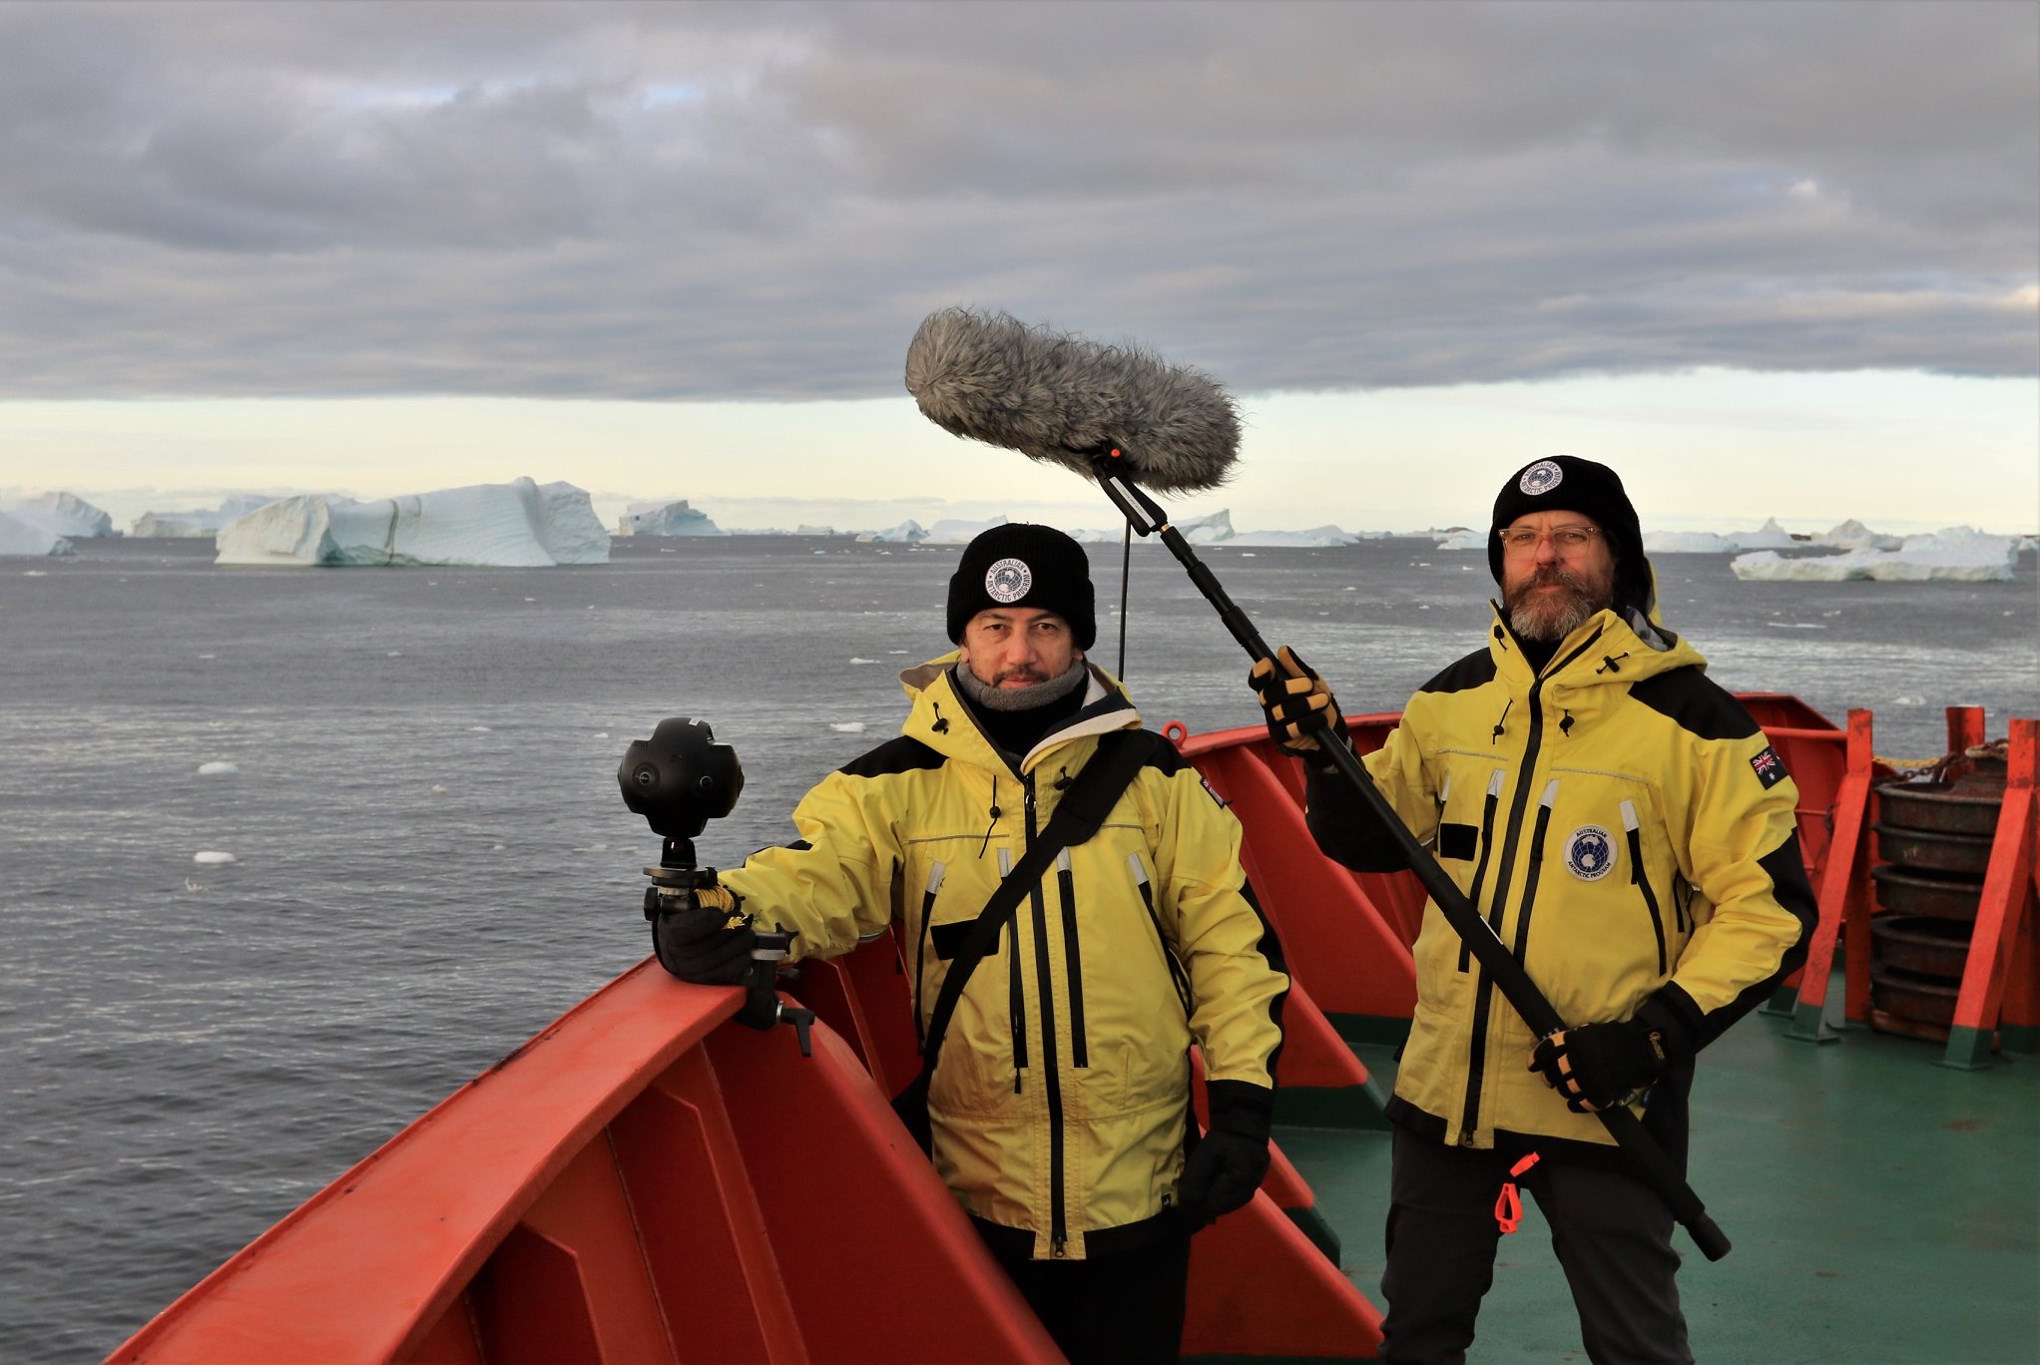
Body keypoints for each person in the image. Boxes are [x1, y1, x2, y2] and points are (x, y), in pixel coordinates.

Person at [661, 522, 1290, 1365]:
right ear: (963, 636)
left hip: (1141, 1186)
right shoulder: (892, 784)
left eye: (1044, 626)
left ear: (1078, 639)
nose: (1017, 652)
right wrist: (717, 909)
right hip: (978, 1184)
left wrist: (1244, 1110)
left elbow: (1230, 948)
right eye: (995, 628)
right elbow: (820, 876)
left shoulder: (1157, 781)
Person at [1250, 456, 1817, 1365]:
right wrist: (1318, 752)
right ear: (1499, 559)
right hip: (1448, 1086)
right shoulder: (1452, 699)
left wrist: (1650, 1036)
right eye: (1523, 538)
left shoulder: (1696, 723)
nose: (1543, 556)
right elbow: (1371, 835)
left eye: (1571, 535)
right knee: (1419, 1334)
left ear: (1618, 557)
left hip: (1603, 1090)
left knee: (1635, 1343)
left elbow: (1772, 910)